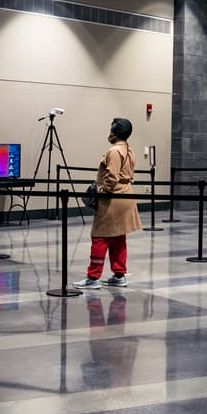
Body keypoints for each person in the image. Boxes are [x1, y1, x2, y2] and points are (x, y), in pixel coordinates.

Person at [75, 118, 142, 289]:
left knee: (99, 237)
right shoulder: (129, 150)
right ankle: (119, 275)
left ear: (115, 133)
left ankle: (93, 277)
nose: (108, 133)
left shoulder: (114, 151)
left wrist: (101, 190)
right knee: (118, 237)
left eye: (110, 130)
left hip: (113, 198)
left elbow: (112, 177)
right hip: (126, 196)